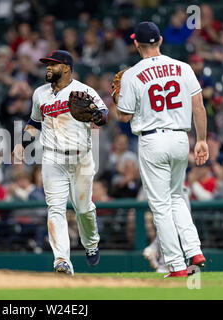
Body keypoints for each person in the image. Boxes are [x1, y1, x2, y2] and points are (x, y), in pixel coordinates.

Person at [115, 22, 208, 277]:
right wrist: (201, 140)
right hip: (181, 139)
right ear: (161, 40)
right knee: (177, 196)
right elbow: (198, 107)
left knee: (160, 205)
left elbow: (124, 116)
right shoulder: (183, 67)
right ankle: (194, 250)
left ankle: (177, 265)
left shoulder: (133, 74)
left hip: (153, 140)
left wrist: (117, 100)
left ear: (136, 44)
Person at [13, 50, 108, 275]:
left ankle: (91, 243)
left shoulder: (84, 91)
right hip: (52, 157)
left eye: (52, 64)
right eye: (47, 64)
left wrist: (95, 115)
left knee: (83, 210)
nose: (47, 67)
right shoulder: (40, 94)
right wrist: (20, 144)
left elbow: (103, 116)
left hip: (81, 158)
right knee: (55, 208)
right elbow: (34, 122)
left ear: (66, 67)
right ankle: (62, 261)